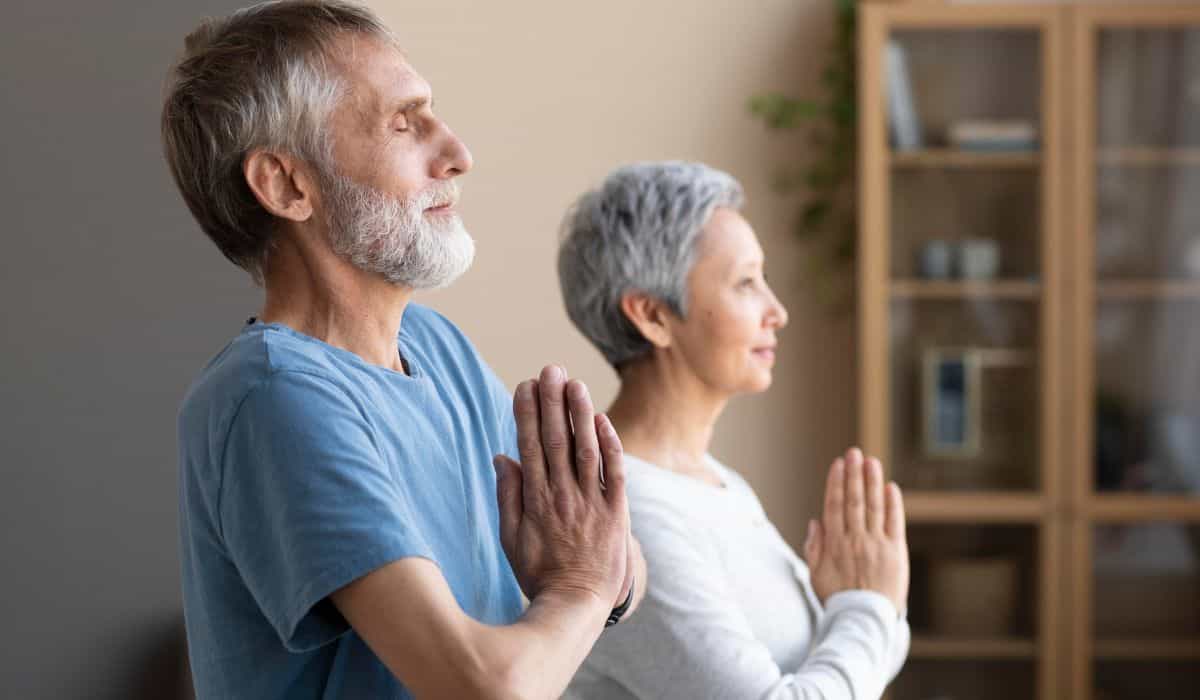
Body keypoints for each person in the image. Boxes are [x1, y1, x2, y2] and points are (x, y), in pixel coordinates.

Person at [162, 2, 644, 698]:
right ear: (287, 185)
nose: (456, 154)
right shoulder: (272, 397)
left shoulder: (436, 346)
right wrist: (581, 585)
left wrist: (594, 574)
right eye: (403, 122)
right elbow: (480, 686)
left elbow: (616, 560)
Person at [557, 161, 911, 699]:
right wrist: (868, 607)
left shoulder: (715, 485)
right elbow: (866, 638)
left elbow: (866, 644)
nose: (778, 311)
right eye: (746, 283)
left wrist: (861, 609)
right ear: (652, 315)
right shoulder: (631, 517)